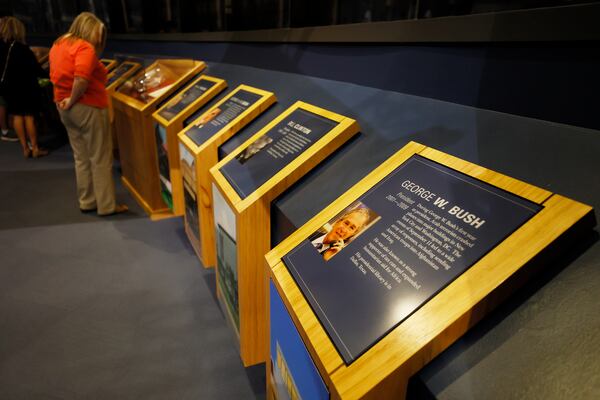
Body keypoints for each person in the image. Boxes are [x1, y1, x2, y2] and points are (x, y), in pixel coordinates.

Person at [49, 12, 127, 215]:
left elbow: (58, 74)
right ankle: (107, 206)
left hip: (64, 107)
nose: (99, 40)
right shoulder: (84, 47)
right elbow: (81, 79)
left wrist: (66, 100)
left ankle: (87, 201)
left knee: (81, 157)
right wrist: (74, 98)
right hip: (88, 106)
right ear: (88, 29)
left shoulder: (58, 44)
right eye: (98, 34)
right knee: (100, 157)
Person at [0, 17, 47, 156]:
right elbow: (36, 69)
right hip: (26, 88)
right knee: (29, 117)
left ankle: (25, 149)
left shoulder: (3, 48)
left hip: (10, 88)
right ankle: (35, 148)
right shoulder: (22, 48)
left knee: (17, 116)